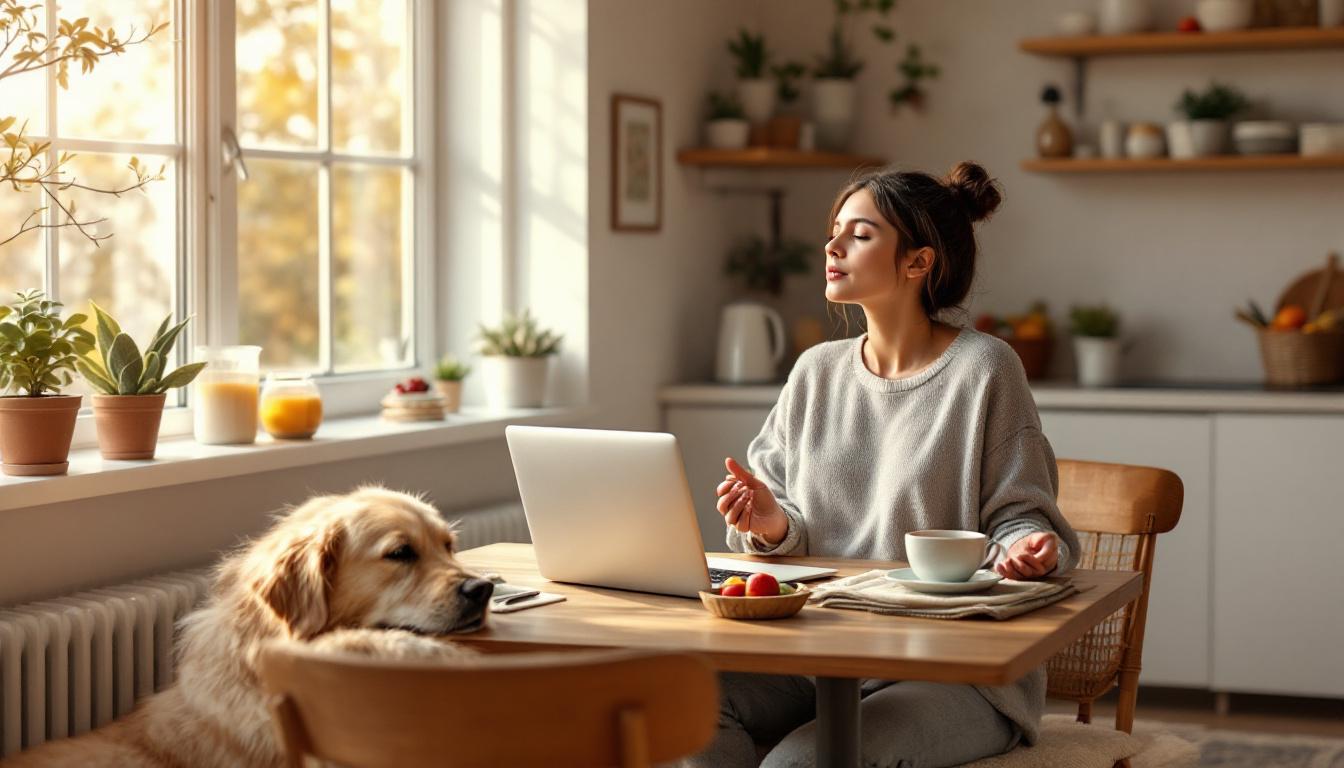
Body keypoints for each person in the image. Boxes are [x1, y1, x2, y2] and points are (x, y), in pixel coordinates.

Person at [686, 162, 1081, 768]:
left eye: (860, 234)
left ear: (917, 262)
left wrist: (1031, 545)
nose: (833, 245)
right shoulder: (816, 370)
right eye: (835, 230)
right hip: (820, 651)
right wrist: (768, 523)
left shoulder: (985, 369)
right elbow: (782, 521)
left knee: (798, 764)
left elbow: (1020, 515)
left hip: (953, 671)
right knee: (684, 706)